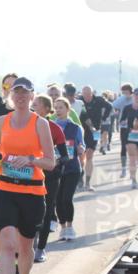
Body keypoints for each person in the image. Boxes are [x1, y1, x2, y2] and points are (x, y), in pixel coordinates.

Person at [0, 78, 56, 274]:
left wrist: (30, 160)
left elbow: (50, 162)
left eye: (24, 93)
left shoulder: (40, 124)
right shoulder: (1, 121)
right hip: (6, 188)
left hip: (32, 191)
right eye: (16, 92)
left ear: (32, 97)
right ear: (10, 95)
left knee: (25, 247)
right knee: (7, 243)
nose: (19, 97)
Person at [30, 95, 68, 262]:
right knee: (29, 211)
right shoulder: (25, 126)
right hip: (28, 174)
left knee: (46, 211)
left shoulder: (55, 128)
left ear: (46, 108)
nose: (32, 107)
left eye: (36, 105)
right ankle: (29, 243)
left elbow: (65, 156)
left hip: (50, 176)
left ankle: (40, 248)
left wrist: (53, 161)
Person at [52, 98, 84, 241]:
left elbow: (81, 144)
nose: (58, 110)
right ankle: (63, 227)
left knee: (66, 198)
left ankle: (70, 227)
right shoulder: (50, 127)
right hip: (56, 168)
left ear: (68, 109)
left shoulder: (76, 128)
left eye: (61, 108)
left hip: (72, 168)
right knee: (58, 199)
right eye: (56, 108)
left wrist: (81, 148)